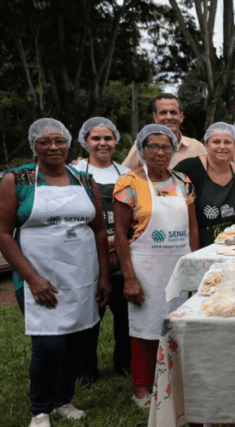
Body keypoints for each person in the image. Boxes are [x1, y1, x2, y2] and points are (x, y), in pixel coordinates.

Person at [0, 118, 110, 427]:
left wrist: (103, 276)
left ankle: (63, 401)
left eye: (59, 141)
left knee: (75, 341)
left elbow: (100, 230)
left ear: (68, 145)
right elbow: (4, 234)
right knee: (48, 345)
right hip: (37, 278)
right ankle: (39, 409)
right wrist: (32, 278)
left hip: (81, 276)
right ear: (34, 145)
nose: (53, 147)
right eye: (45, 141)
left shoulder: (84, 180)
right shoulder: (17, 179)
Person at [114, 124, 199, 408]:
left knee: (177, 325)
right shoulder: (129, 183)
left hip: (178, 265)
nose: (161, 152)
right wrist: (129, 277)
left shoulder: (182, 181)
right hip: (145, 267)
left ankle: (173, 380)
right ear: (141, 150)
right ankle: (141, 388)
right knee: (145, 329)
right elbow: (121, 237)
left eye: (167, 147)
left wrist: (195, 265)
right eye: (154, 147)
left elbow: (192, 226)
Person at [74, 117, 132, 383]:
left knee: (125, 314)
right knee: (89, 314)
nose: (102, 143)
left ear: (116, 141)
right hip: (87, 255)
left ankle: (124, 361)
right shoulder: (74, 173)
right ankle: (86, 368)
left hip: (121, 254)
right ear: (85, 141)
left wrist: (117, 240)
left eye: (108, 138)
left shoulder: (126, 174)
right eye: (96, 138)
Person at [174, 122, 235, 247]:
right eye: (216, 142)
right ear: (206, 145)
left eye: (227, 142)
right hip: (198, 247)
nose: (222, 147)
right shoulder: (188, 169)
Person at [121, 93, 205, 170]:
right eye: (163, 113)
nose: (169, 117)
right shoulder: (142, 146)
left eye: (173, 112)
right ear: (155, 117)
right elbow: (122, 177)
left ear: (181, 117)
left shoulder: (197, 148)